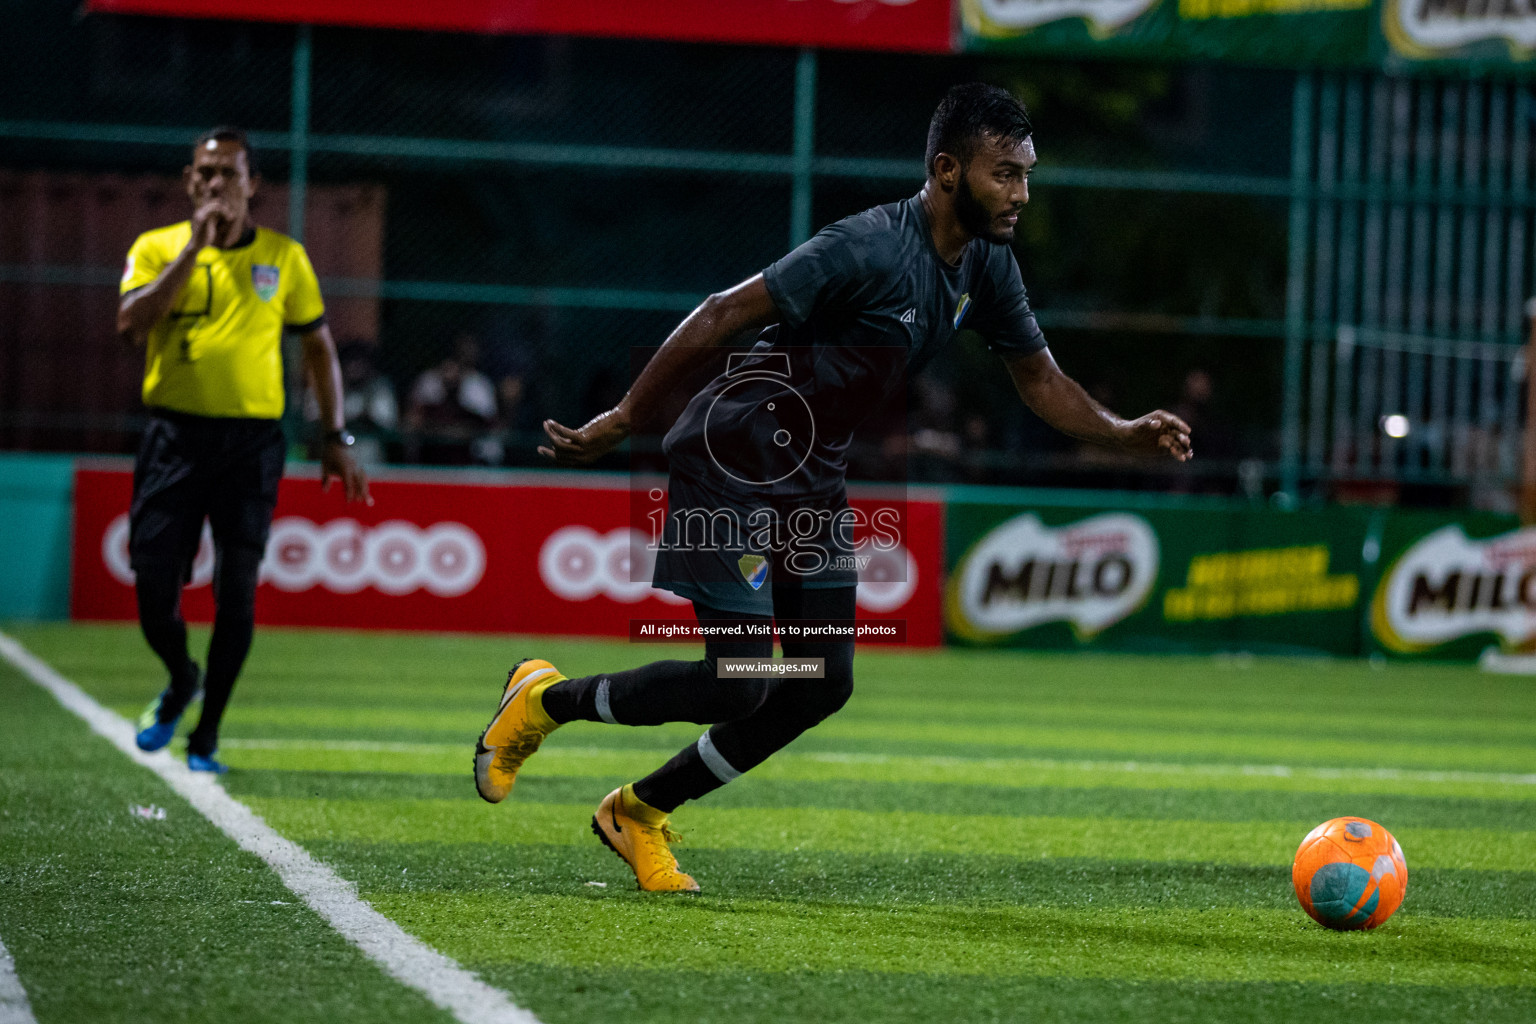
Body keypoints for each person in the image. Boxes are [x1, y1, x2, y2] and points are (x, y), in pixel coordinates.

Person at [474, 84, 1193, 892]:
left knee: (821, 682)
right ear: (948, 170)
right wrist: (627, 415)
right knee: (735, 683)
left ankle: (638, 811)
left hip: (809, 484)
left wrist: (1121, 430)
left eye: (1027, 175)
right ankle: (541, 703)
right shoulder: (866, 247)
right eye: (1006, 175)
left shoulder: (988, 265)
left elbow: (1040, 378)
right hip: (731, 460)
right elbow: (721, 314)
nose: (1022, 194)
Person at [118, 126, 369, 773]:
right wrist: (194, 250)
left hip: (251, 445)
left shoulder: (284, 257)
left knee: (238, 589)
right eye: (204, 173)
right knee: (151, 585)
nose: (214, 184)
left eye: (228, 173)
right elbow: (130, 323)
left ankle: (206, 737)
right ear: (187, 181)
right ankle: (180, 677)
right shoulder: (156, 247)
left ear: (252, 185)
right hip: (172, 437)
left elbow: (318, 347)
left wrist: (335, 435)